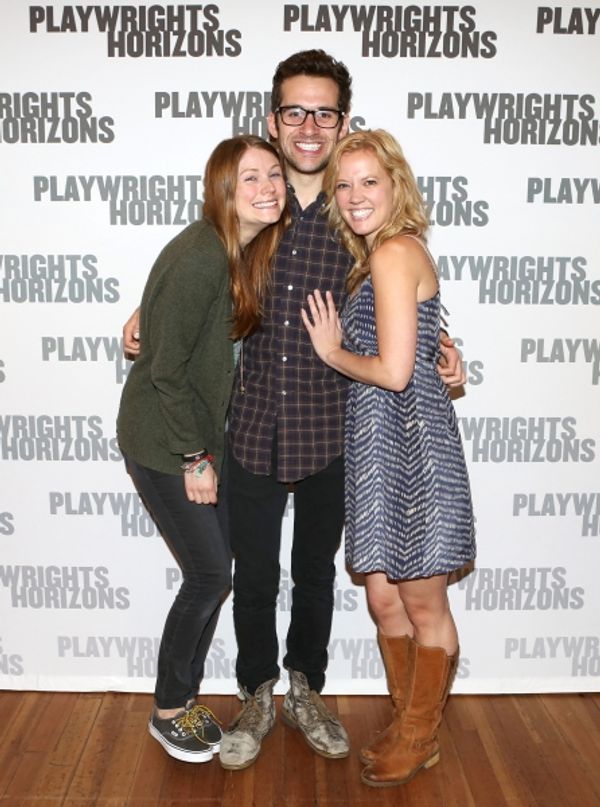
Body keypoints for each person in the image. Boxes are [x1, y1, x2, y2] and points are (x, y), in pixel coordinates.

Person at [123, 50, 465, 771]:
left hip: (333, 431)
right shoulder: (258, 204)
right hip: (245, 427)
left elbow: (398, 296)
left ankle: (306, 685)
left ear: (343, 120)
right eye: (294, 111)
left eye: (324, 112)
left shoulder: (353, 217)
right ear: (273, 119)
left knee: (315, 574)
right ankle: (256, 692)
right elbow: (200, 268)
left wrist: (442, 339)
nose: (309, 126)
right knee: (250, 574)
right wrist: (143, 313)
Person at [302, 129, 476, 787]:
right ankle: (410, 719)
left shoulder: (394, 251)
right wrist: (449, 355)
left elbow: (397, 371)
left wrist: (333, 352)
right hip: (380, 446)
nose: (354, 196)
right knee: (383, 598)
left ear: (395, 185)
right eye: (343, 185)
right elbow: (422, 337)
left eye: (368, 181)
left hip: (414, 448)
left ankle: (418, 733)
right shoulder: (381, 256)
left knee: (422, 602)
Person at [116, 135, 287, 764]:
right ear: (223, 189)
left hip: (196, 438)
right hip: (165, 442)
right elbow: (165, 371)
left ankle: (180, 699)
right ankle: (168, 709)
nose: (269, 186)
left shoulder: (239, 250)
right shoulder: (202, 257)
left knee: (213, 573)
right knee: (212, 574)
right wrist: (196, 459)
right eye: (252, 178)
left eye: (275, 174)